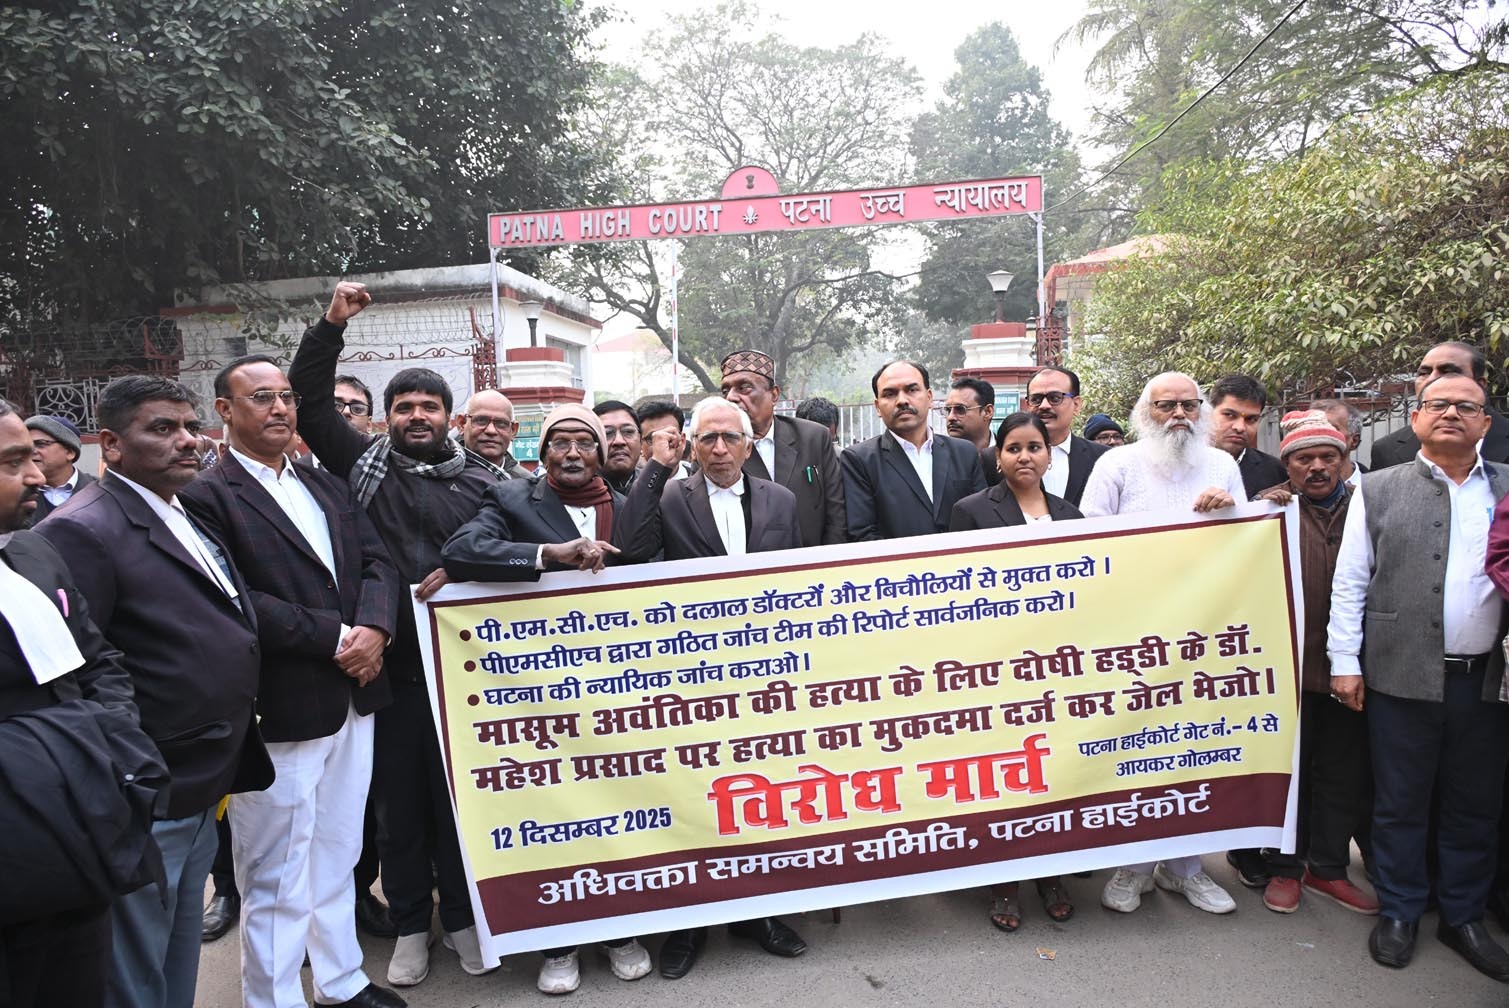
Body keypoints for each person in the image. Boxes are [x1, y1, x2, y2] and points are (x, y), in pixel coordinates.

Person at [34, 375, 272, 1008]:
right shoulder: (81, 530)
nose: (187, 441)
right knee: (135, 966)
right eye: (162, 429)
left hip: (200, 779)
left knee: (175, 952)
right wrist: (132, 778)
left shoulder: (176, 507)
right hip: (148, 790)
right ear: (110, 444)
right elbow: (80, 673)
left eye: (189, 426)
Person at [288, 282, 500, 987]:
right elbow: (310, 401)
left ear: (449, 418)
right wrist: (330, 327)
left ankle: (462, 919)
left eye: (428, 406)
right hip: (387, 676)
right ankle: (411, 925)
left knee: (461, 808)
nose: (416, 416)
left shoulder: (485, 483)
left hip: (467, 679)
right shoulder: (361, 466)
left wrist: (464, 568)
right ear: (385, 419)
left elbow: (514, 556)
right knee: (398, 811)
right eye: (403, 406)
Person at [179, 355, 405, 1008]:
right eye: (261, 397)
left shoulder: (321, 481)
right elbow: (234, 596)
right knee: (275, 870)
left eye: (286, 396)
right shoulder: (205, 495)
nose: (279, 408)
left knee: (338, 850)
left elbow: (377, 560)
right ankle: (273, 998)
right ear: (225, 411)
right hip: (282, 707)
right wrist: (339, 639)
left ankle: (340, 981)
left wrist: (376, 629)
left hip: (355, 696)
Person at [442, 403, 667, 994]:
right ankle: (558, 943)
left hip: (623, 690)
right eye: (560, 443)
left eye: (584, 443)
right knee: (554, 815)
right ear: (541, 455)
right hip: (542, 698)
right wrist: (550, 556)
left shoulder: (629, 503)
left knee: (623, 810)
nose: (572, 453)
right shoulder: (513, 500)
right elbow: (462, 550)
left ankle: (621, 931)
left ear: (600, 454)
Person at [1328, 373, 1509, 981]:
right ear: (1416, 418)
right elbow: (1352, 580)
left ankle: (1463, 916)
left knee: (1474, 804)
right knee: (1400, 802)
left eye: (1467, 406)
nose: (1451, 413)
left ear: (1486, 422)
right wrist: (1345, 662)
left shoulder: (1506, 486)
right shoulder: (1378, 488)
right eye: (1438, 404)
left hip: (1487, 680)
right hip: (1399, 673)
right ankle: (1401, 910)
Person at [0, 399, 166, 1008]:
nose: (36, 475)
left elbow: (97, 661)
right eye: (12, 462)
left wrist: (118, 752)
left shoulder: (32, 553)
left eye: (33, 457)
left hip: (84, 837)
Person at [636, 397, 809, 978]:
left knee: (758, 795)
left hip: (767, 675)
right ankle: (689, 926)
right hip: (692, 678)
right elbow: (633, 551)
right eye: (707, 438)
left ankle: (759, 913)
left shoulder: (781, 500)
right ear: (691, 444)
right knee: (695, 797)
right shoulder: (668, 496)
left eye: (729, 438)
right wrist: (656, 468)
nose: (718, 449)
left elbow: (799, 579)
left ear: (748, 444)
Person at [1080, 372, 1241, 916]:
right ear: (1144, 411)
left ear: (1202, 411)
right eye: (1165, 405)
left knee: (1192, 751)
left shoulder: (1222, 467)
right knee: (1136, 752)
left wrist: (1231, 511)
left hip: (1204, 636)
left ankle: (1185, 868)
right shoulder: (1116, 464)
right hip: (1132, 637)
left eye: (1188, 405)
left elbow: (1248, 544)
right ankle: (1132, 865)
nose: (1178, 415)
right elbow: (1088, 544)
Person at [949, 412, 1079, 932]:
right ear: (997, 457)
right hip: (994, 666)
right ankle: (1003, 880)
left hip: (1055, 667)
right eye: (1014, 448)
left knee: (1053, 773)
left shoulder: (1071, 514)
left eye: (1035, 447)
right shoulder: (971, 511)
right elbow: (952, 589)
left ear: (1049, 455)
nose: (1025, 457)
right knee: (1005, 777)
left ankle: (1050, 875)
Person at [1248, 411, 1376, 916]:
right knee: (1290, 775)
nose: (1317, 467)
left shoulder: (1369, 505)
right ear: (1288, 465)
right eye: (1305, 458)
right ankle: (1285, 867)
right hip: (1287, 670)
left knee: (1343, 772)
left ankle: (1328, 867)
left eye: (1328, 456)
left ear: (1345, 459)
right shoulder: (1267, 511)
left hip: (1352, 669)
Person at [841, 359, 986, 541]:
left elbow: (983, 517)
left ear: (929, 397)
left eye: (912, 390)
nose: (902, 400)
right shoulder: (860, 460)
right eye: (890, 394)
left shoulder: (964, 453)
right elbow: (862, 533)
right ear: (877, 407)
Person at [720, 350, 846, 546]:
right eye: (725, 391)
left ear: (774, 394)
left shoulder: (813, 437)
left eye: (744, 388)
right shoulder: (717, 449)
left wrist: (828, 559)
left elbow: (836, 513)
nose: (731, 398)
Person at [1370, 341, 1509, 468]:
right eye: (1424, 373)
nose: (1431, 379)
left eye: (1448, 372)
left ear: (1480, 384)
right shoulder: (1386, 450)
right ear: (1414, 418)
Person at [1024, 366, 1109, 507]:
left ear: (1076, 404)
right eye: (1036, 399)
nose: (1044, 406)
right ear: (1028, 405)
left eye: (1055, 398)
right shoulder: (1000, 459)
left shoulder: (1103, 458)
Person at [1208, 374, 1286, 498]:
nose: (1240, 427)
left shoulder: (1274, 471)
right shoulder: (1182, 466)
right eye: (1229, 415)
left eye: (1251, 419)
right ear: (1208, 412)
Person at [25, 414, 96, 523]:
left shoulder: (100, 491)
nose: (32, 451)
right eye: (28, 446)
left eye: (40, 444)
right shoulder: (17, 494)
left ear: (70, 452)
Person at [457, 389, 530, 479]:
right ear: (462, 424)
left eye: (501, 423)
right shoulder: (444, 474)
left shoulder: (528, 484)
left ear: (513, 430)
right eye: (481, 420)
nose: (491, 431)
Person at [942, 377, 999, 485]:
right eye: (948, 410)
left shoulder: (1008, 455)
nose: (951, 417)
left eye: (960, 409)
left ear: (988, 412)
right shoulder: (938, 458)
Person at [1311, 398, 1365, 488]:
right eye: (1312, 429)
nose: (1318, 435)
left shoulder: (1374, 488)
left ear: (1354, 440)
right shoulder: (1291, 489)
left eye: (1330, 429)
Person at [593, 399, 642, 495]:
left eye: (628, 432)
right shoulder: (577, 493)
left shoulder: (660, 487)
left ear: (641, 440)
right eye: (607, 433)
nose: (619, 441)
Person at [637, 400, 692, 479]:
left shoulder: (705, 482)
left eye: (670, 436)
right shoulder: (628, 485)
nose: (664, 444)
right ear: (640, 446)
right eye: (653, 439)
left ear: (683, 441)